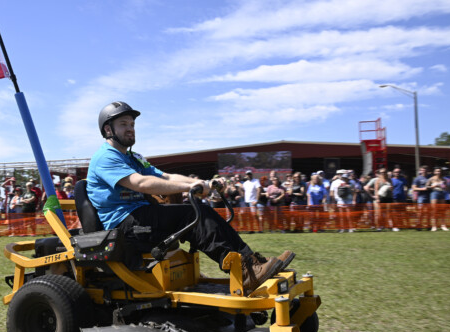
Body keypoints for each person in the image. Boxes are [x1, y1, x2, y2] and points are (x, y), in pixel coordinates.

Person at [86, 101, 294, 294]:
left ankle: (250, 262)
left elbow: (166, 176)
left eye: (132, 124)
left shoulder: (134, 158)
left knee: (200, 211)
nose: (130, 128)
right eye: (123, 124)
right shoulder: (106, 157)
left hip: (140, 216)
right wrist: (192, 187)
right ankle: (246, 271)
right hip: (124, 225)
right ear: (108, 129)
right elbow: (140, 183)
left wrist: (203, 183)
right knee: (191, 214)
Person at [427, 167, 449, 231]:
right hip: (434, 193)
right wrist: (432, 186)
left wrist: (444, 186)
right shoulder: (431, 179)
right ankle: (434, 226)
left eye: (439, 171)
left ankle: (443, 225)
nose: (438, 172)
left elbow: (446, 188)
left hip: (442, 193)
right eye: (437, 171)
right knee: (434, 210)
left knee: (442, 210)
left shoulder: (443, 179)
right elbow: (426, 186)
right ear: (434, 172)